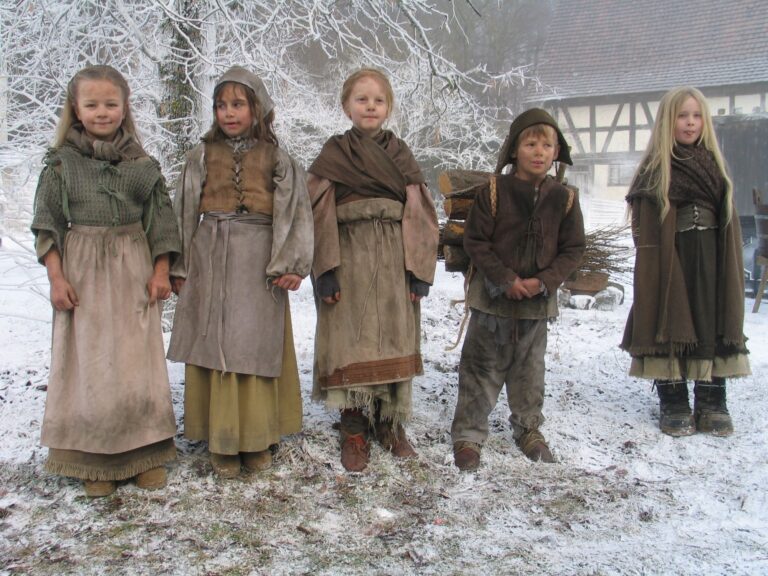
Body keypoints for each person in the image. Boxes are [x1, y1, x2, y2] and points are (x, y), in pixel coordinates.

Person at [31, 65, 180, 497]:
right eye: (92, 104)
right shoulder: (61, 164)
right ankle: (95, 461)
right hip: (83, 274)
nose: (102, 112)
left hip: (134, 269)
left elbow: (162, 222)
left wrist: (161, 271)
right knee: (91, 364)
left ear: (124, 107)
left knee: (137, 363)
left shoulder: (142, 165)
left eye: (110, 104)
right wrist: (57, 278)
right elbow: (47, 225)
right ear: (76, 109)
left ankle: (145, 454)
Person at [167, 66, 313, 478]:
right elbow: (182, 211)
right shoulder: (200, 155)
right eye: (221, 105)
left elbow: (296, 212)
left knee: (254, 345)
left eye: (238, 104)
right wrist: (179, 264)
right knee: (215, 341)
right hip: (210, 256)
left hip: (259, 262)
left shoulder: (278, 159)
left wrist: (292, 264)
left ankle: (256, 435)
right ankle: (222, 438)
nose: (228, 113)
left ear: (257, 108)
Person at [308, 68, 439, 472]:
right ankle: (353, 428)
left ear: (389, 108)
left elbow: (420, 214)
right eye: (361, 99)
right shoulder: (334, 154)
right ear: (346, 106)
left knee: (394, 338)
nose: (370, 106)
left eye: (378, 100)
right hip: (349, 256)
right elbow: (317, 212)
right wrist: (325, 270)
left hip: (395, 260)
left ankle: (389, 422)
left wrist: (419, 271)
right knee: (350, 341)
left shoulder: (400, 155)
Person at [450, 108, 585, 471]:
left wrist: (543, 281)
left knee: (530, 371)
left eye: (547, 145)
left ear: (557, 152)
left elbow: (573, 248)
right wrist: (506, 280)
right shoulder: (494, 191)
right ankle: (468, 434)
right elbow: (476, 241)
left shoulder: (564, 198)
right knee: (480, 368)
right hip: (491, 301)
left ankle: (528, 430)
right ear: (514, 149)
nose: (539, 152)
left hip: (536, 304)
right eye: (530, 144)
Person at [621, 87, 749, 437]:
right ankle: (674, 398)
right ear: (668, 120)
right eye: (682, 116)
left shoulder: (714, 167)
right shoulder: (655, 169)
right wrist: (655, 258)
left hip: (711, 254)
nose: (690, 123)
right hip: (670, 257)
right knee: (670, 314)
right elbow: (643, 223)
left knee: (710, 315)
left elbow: (727, 214)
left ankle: (711, 398)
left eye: (696, 116)